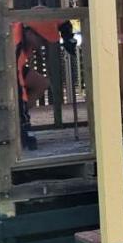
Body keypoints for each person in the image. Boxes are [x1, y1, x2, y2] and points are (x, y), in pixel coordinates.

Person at [14, 20, 77, 149]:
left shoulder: (29, 25)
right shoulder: (16, 42)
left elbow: (61, 20)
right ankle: (18, 123)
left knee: (41, 83)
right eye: (42, 40)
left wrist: (67, 37)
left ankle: (18, 117)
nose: (42, 45)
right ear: (31, 33)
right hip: (8, 70)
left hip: (17, 67)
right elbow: (18, 85)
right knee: (19, 97)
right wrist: (25, 127)